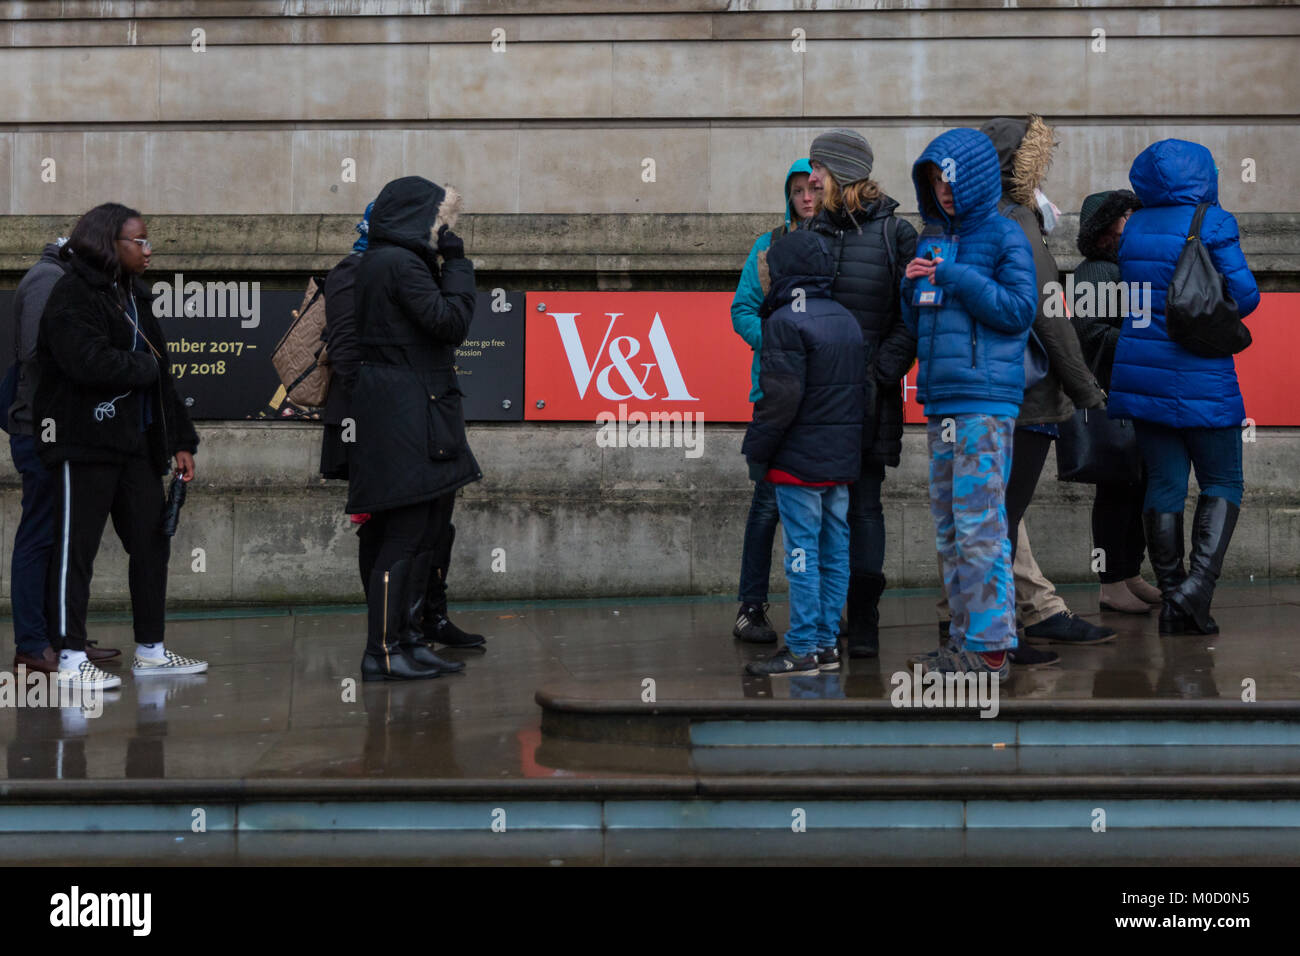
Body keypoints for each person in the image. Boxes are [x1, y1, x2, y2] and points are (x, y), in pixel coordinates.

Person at [34, 203, 205, 690]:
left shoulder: (133, 295)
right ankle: (69, 657)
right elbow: (85, 362)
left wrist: (180, 441)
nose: (149, 251)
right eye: (140, 241)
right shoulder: (72, 293)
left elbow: (162, 376)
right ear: (110, 243)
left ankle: (151, 651)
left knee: (152, 545)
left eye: (149, 241)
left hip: (136, 446)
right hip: (83, 442)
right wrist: (144, 368)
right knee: (77, 550)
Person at [900, 128, 1038, 679]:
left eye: (950, 179)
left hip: (985, 403)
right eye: (935, 181)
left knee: (982, 525)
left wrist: (953, 275)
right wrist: (911, 293)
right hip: (943, 403)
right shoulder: (929, 240)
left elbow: (1018, 311)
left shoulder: (1005, 236)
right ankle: (965, 642)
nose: (944, 191)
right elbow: (920, 329)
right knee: (951, 529)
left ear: (976, 178)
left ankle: (992, 648)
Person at [1108, 139, 1260, 635]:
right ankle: (1196, 591)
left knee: (1166, 483)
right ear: (1203, 175)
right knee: (1223, 481)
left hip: (1142, 378)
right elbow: (1247, 296)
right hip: (1203, 377)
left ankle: (1174, 595)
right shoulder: (1213, 222)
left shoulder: (1134, 229)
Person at [979, 114, 1114, 658]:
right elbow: (1049, 313)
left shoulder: (974, 217)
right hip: (1025, 395)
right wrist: (1085, 390)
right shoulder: (1016, 221)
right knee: (1001, 519)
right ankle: (1000, 634)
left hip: (983, 387)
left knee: (985, 515)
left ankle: (986, 622)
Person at [346, 176, 481, 680]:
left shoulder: (397, 261)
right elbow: (450, 322)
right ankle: (382, 650)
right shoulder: (397, 263)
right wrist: (459, 265)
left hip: (420, 407)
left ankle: (406, 639)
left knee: (425, 533)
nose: (441, 229)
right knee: (404, 536)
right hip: (406, 413)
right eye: (438, 219)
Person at [806, 129, 918, 659]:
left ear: (843, 174)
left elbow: (912, 316)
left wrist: (879, 371)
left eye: (819, 170)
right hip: (819, 396)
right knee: (822, 505)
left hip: (871, 395)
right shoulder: (809, 233)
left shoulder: (897, 234)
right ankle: (828, 617)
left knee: (865, 506)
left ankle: (866, 619)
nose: (811, 180)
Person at [741, 230, 866, 676]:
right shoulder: (845, 318)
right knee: (835, 550)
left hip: (797, 462)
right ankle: (827, 644)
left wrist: (757, 449)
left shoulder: (783, 323)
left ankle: (801, 648)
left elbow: (779, 399)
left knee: (801, 553)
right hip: (839, 461)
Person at [8, 237, 122, 674]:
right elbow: (38, 353)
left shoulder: (65, 278)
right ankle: (33, 646)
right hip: (39, 429)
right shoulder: (46, 278)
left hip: (59, 430)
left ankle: (62, 639)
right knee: (38, 535)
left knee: (60, 536)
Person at [728, 158, 817, 646]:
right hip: (775, 392)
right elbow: (741, 310)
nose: (806, 197)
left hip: (826, 396)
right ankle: (750, 608)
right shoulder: (767, 248)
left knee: (828, 504)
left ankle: (824, 608)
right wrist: (778, 341)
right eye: (798, 189)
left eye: (813, 189)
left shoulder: (839, 243)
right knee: (766, 506)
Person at [1071, 188, 1163, 614]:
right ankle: (1111, 584)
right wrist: (1141, 340)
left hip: (1134, 395)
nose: (1134, 223)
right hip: (1113, 398)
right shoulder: (1096, 271)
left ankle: (1129, 573)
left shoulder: (1122, 267)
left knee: (1137, 485)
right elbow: (1089, 332)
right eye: (1127, 216)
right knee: (1116, 491)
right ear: (1107, 225)